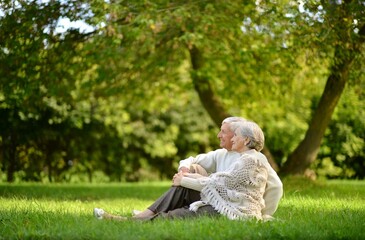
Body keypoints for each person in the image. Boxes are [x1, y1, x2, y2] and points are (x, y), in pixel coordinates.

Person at [94, 118, 283, 221]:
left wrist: (263, 214)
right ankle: (145, 215)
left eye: (234, 135)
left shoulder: (252, 160)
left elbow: (221, 182)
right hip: (222, 202)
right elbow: (218, 180)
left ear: (246, 140)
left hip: (233, 210)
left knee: (176, 215)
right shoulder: (238, 156)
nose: (228, 137)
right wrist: (187, 174)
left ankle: (130, 221)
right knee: (182, 193)